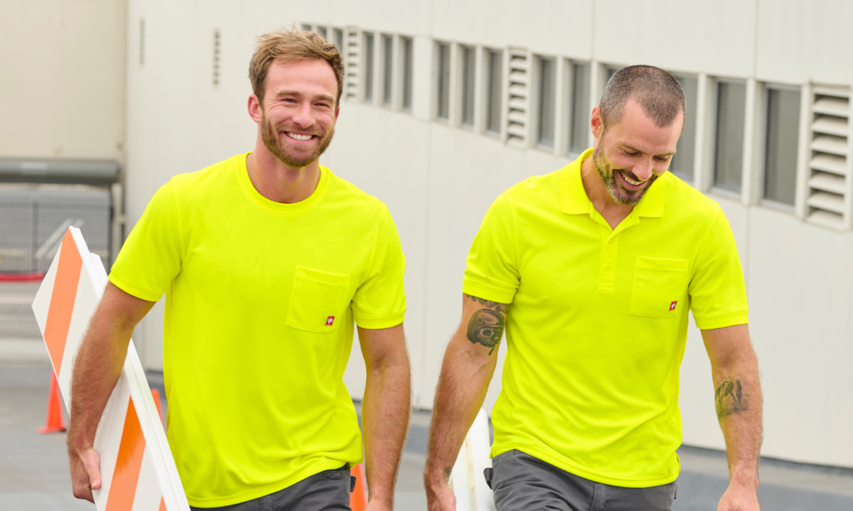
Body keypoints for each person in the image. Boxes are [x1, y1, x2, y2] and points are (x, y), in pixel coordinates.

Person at [66, 28, 410, 511]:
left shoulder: (368, 224)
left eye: (321, 103)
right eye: (288, 99)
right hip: (204, 486)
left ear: (336, 114)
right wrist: (81, 438)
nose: (305, 118)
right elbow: (114, 319)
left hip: (318, 475)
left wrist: (382, 495)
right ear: (255, 107)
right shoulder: (185, 205)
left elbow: (387, 362)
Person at [422, 65, 763, 511]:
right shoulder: (519, 214)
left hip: (644, 476)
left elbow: (732, 361)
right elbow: (474, 350)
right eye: (631, 152)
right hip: (535, 461)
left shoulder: (702, 226)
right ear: (597, 123)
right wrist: (437, 473)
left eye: (662, 159)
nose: (643, 172)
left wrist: (743, 480)